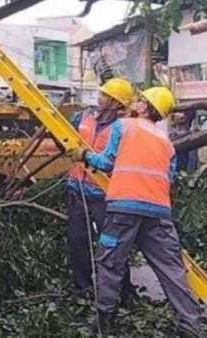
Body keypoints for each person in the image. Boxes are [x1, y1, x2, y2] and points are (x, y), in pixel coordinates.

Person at [72, 87, 202, 336]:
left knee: (110, 262)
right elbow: (168, 178)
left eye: (141, 100)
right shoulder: (167, 143)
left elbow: (107, 162)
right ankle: (191, 326)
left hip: (124, 208)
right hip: (158, 211)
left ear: (145, 108)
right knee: (171, 269)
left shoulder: (124, 126)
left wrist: (85, 155)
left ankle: (104, 323)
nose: (137, 102)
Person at [65, 78, 133, 298]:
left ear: (115, 103)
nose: (99, 98)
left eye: (105, 95)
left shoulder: (122, 128)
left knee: (112, 244)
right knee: (78, 242)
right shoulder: (83, 118)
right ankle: (82, 288)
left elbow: (111, 162)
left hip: (104, 194)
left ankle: (121, 290)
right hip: (77, 189)